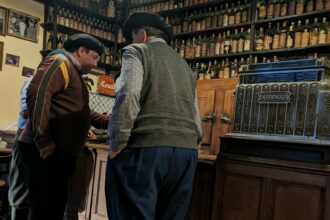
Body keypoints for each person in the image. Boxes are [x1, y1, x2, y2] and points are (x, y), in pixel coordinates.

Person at [105, 12, 203, 220]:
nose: (132, 42)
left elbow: (128, 94)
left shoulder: (137, 51)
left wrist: (117, 143)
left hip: (146, 149)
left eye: (132, 37)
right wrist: (194, 146)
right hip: (185, 154)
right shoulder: (184, 65)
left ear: (141, 34)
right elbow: (195, 113)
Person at [17, 33, 109, 220]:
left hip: (58, 155)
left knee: (54, 208)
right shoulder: (60, 62)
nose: (95, 64)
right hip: (45, 153)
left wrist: (107, 120)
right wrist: (43, 139)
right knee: (44, 210)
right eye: (95, 57)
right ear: (81, 50)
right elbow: (38, 93)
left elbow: (81, 110)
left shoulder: (72, 71)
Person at [8, 76, 33, 220]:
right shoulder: (32, 81)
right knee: (20, 191)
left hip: (34, 139)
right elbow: (24, 111)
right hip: (25, 137)